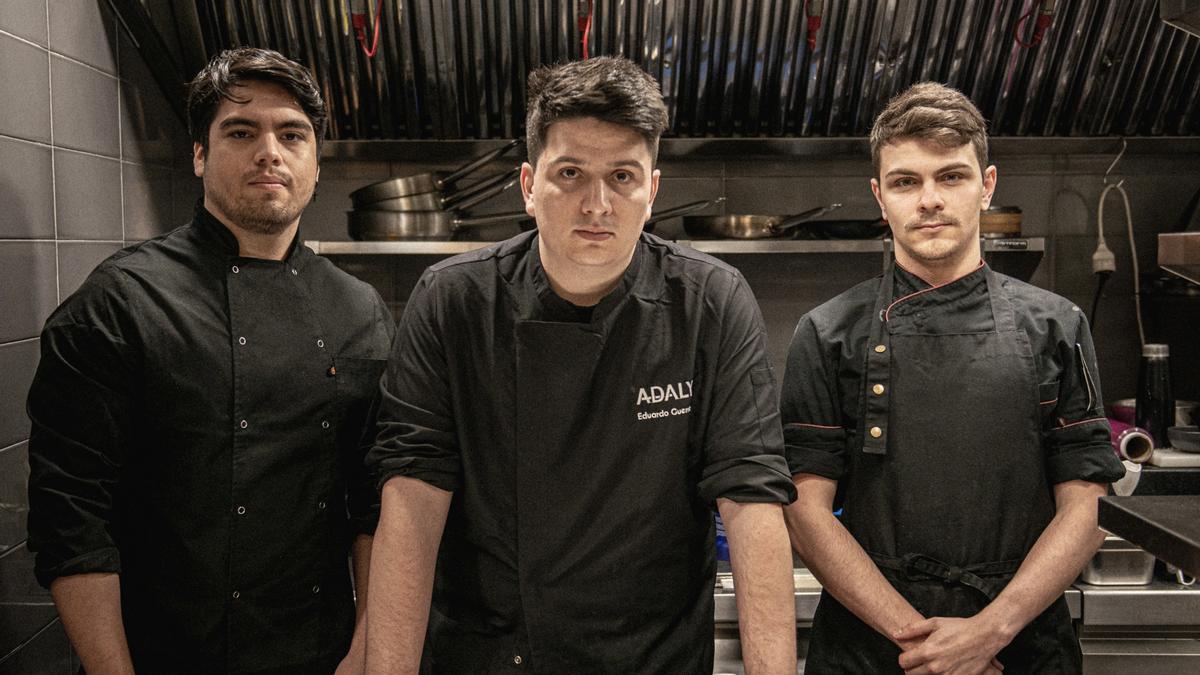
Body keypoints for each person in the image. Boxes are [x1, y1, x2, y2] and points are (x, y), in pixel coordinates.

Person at [363, 56, 797, 673]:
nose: (597, 204)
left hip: (651, 658)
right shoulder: (453, 300)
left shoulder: (710, 302)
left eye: (622, 176)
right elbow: (411, 502)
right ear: (528, 185)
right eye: (570, 173)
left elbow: (752, 501)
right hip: (491, 654)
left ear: (651, 190)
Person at [26, 47, 393, 673]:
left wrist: (364, 653)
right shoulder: (121, 302)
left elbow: (373, 503)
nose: (269, 152)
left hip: (319, 655)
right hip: (158, 656)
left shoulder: (358, 310)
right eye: (241, 132)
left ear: (315, 159)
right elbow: (71, 518)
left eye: (292, 135)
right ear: (199, 155)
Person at [781, 81, 1125, 674]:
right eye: (905, 182)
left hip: (1020, 643)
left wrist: (989, 632)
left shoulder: (1057, 325)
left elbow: (1088, 501)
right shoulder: (827, 332)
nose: (929, 200)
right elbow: (804, 512)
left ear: (986, 186)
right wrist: (928, 648)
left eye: (951, 177)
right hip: (873, 646)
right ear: (879, 196)